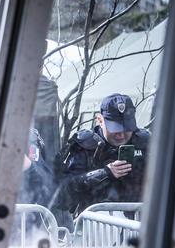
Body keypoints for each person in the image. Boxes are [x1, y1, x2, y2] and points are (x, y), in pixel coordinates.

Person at [50, 93, 150, 225]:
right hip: (96, 230)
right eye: (115, 128)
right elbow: (63, 195)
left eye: (126, 128)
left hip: (140, 225)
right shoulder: (85, 146)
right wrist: (105, 173)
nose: (121, 134)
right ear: (100, 120)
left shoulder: (145, 143)